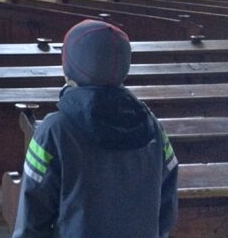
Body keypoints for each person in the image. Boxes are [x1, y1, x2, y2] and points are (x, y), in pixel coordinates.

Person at [12, 19, 178, 237]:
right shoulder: (152, 128)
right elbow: (166, 211)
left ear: (69, 68)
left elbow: (32, 221)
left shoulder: (54, 130)